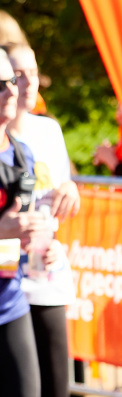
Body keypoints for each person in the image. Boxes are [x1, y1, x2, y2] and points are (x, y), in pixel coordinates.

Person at [7, 43, 78, 397]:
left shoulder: (48, 131)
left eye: (33, 73)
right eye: (18, 74)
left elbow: (60, 196)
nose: (27, 83)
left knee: (55, 386)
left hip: (46, 273)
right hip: (9, 284)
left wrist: (71, 190)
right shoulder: (4, 140)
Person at [0, 46, 53, 397]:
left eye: (11, 80)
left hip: (10, 303)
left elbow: (20, 230)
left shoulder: (22, 153)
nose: (12, 90)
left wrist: (38, 247)